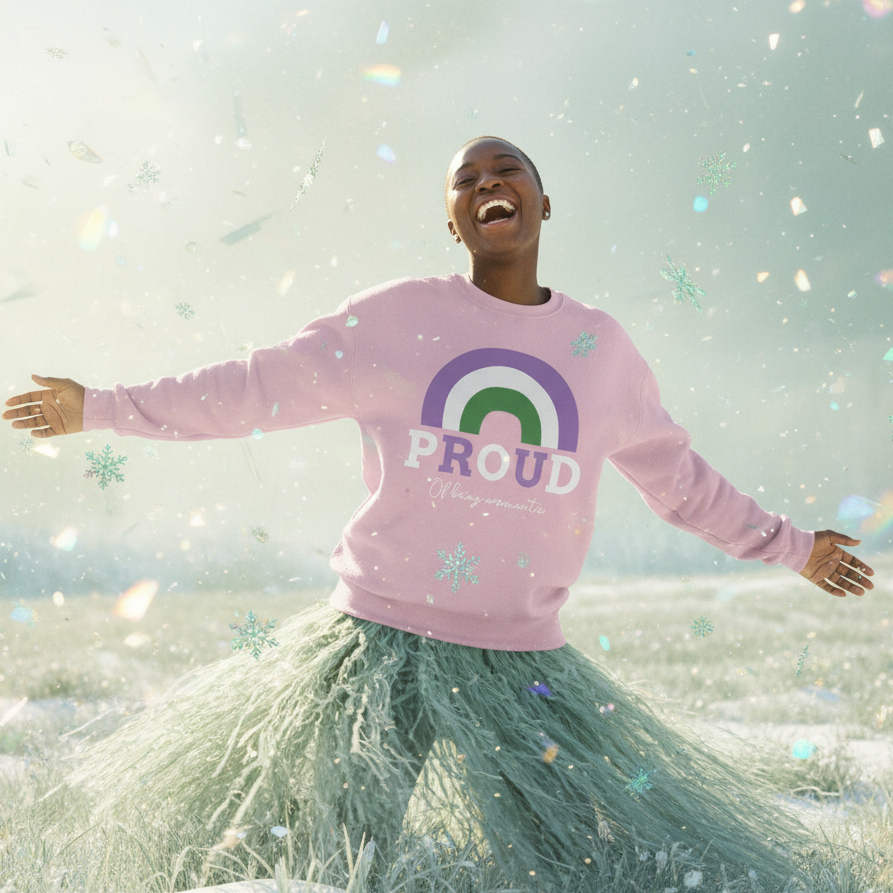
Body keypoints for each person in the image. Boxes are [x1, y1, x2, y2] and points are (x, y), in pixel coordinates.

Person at [3, 136, 876, 891]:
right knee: (333, 849)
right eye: (466, 179)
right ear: (452, 222)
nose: (488, 181)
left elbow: (677, 479)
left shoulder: (599, 350)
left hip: (525, 662)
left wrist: (791, 546)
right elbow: (253, 387)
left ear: (542, 200)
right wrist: (104, 406)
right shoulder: (398, 319)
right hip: (379, 642)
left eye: (509, 168)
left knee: (564, 863)